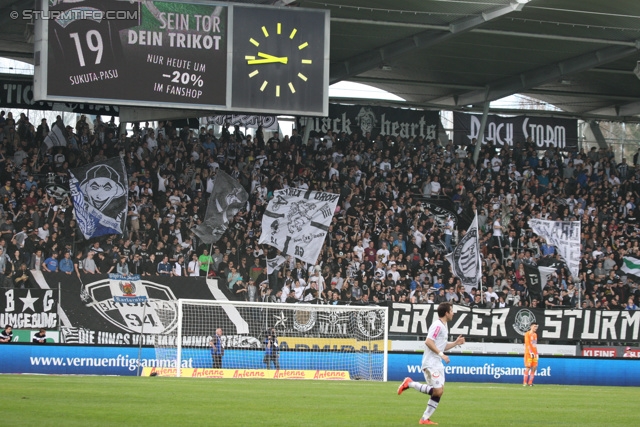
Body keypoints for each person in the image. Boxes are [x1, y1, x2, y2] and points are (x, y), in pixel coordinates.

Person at [397, 302, 465, 425]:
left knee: (439, 391)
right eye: (451, 310)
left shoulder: (444, 326)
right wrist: (441, 355)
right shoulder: (437, 325)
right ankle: (410, 384)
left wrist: (455, 343)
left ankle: (424, 419)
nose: (453, 313)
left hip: (437, 362)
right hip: (430, 362)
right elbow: (428, 341)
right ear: (446, 313)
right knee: (438, 391)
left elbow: (442, 346)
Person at [523, 321, 539, 386]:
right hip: (529, 353)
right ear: (531, 326)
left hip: (534, 353)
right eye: (535, 326)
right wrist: (531, 352)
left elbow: (534, 344)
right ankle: (524, 382)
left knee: (534, 367)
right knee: (528, 367)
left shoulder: (535, 335)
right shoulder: (527, 334)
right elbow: (527, 343)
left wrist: (537, 353)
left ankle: (530, 382)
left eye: (536, 326)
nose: (536, 328)